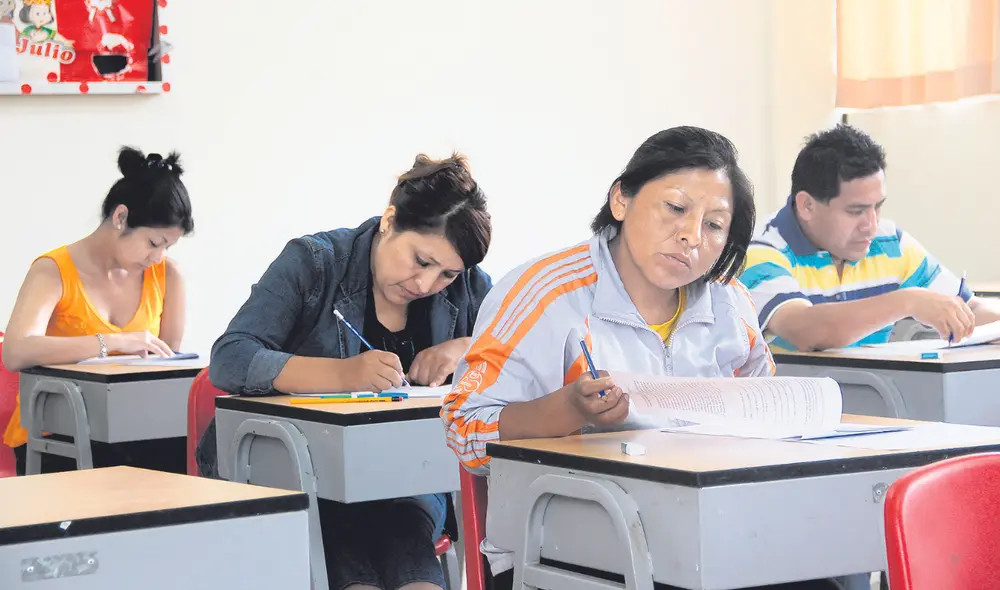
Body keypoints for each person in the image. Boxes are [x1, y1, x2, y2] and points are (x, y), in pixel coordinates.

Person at [442, 126, 869, 590]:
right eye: (675, 208)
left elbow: (768, 418)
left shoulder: (729, 304)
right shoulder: (545, 293)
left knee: (830, 572)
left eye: (714, 225)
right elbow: (464, 429)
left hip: (704, 540)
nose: (690, 236)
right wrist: (567, 410)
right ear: (621, 199)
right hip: (563, 551)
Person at [199, 153, 492, 590]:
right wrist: (340, 375)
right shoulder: (315, 262)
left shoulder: (469, 287)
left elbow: (513, 357)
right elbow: (230, 357)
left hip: (408, 478)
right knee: (345, 538)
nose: (425, 285)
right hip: (299, 474)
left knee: (406, 531)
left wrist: (466, 348)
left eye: (446, 274)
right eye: (420, 260)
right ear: (389, 221)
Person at [2, 146, 193, 476]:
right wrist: (111, 342)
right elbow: (16, 351)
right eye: (153, 243)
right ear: (121, 218)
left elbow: (166, 365)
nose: (158, 257)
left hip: (137, 430)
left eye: (168, 246)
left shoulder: (168, 276)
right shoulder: (53, 271)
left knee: (188, 456)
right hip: (56, 434)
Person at [742, 124, 1000, 352]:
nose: (871, 226)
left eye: (877, 207)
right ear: (807, 205)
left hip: (874, 391)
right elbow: (808, 332)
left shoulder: (890, 243)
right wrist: (908, 301)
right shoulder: (761, 252)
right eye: (856, 211)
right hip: (798, 393)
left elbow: (971, 310)